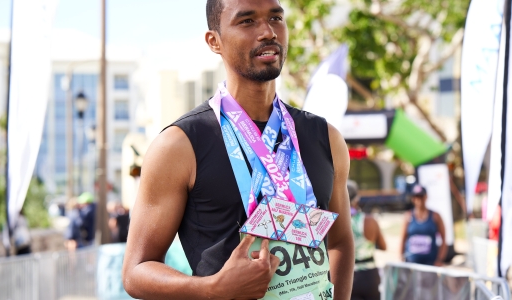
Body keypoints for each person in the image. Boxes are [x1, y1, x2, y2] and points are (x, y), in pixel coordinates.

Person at [122, 0, 354, 299]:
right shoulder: (179, 145)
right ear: (214, 41)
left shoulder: (326, 137)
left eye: (276, 18)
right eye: (247, 21)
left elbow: (340, 242)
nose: (268, 31)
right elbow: (136, 272)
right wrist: (213, 288)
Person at [348, 180, 386, 300]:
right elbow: (384, 246)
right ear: (357, 200)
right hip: (370, 276)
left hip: (347, 276)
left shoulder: (336, 222)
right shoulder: (370, 220)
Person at [401, 184, 446, 266]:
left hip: (430, 263)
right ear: (413, 199)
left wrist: (439, 259)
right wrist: (401, 258)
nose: (419, 200)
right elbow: (402, 239)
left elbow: (443, 238)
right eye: (416, 197)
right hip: (411, 264)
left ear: (426, 197)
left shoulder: (435, 216)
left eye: (421, 197)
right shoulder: (408, 216)